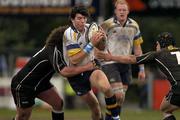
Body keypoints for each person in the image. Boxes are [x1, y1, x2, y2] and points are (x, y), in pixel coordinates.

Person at [11, 26, 98, 120]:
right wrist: (87, 67)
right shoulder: (54, 49)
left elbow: (76, 59)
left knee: (58, 103)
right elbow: (64, 71)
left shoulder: (64, 50)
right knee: (23, 117)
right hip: (24, 85)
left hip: (41, 84)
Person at [96, 32, 180, 120]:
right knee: (165, 106)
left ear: (161, 44)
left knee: (165, 109)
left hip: (178, 89)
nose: (156, 47)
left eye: (157, 44)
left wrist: (111, 57)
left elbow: (132, 59)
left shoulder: (158, 54)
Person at [63, 5, 120, 120]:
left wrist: (103, 40)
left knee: (107, 88)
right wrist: (91, 44)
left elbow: (102, 47)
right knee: (96, 109)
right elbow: (74, 60)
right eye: (79, 18)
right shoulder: (69, 33)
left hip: (91, 67)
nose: (82, 21)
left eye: (84, 18)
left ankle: (115, 118)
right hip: (75, 74)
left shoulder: (91, 28)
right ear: (72, 19)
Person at [99, 0, 146, 119]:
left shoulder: (134, 25)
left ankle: (109, 118)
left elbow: (137, 48)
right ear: (115, 11)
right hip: (109, 63)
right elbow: (97, 41)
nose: (122, 12)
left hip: (126, 64)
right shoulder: (107, 24)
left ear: (128, 11)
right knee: (118, 95)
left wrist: (142, 68)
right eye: (119, 10)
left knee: (120, 99)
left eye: (124, 10)